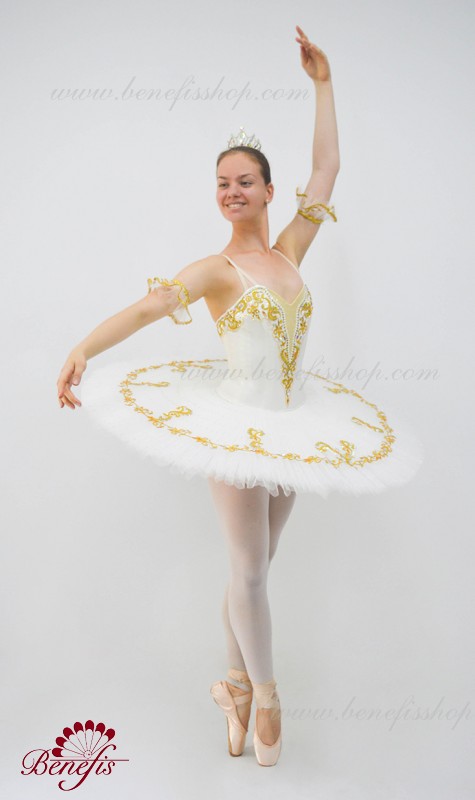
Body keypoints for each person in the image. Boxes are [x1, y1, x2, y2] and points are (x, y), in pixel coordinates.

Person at [56, 26, 424, 767]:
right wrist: (82, 348)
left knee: (255, 566)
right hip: (234, 427)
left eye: (244, 181)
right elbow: (147, 310)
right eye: (222, 183)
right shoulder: (216, 270)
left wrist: (323, 83)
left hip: (294, 424)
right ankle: (267, 693)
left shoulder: (289, 251)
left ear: (267, 190)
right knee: (251, 571)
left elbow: (327, 169)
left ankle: (229, 684)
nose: (231, 192)